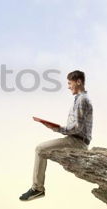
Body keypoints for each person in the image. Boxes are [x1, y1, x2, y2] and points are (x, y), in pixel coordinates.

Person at [19, 70, 93, 201]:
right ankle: (37, 188)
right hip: (73, 139)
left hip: (77, 142)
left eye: (70, 83)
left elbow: (77, 127)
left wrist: (57, 128)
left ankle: (37, 189)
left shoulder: (82, 100)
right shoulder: (79, 99)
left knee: (40, 149)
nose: (68, 86)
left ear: (79, 82)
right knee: (41, 149)